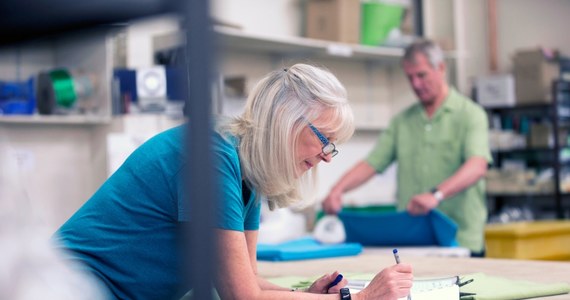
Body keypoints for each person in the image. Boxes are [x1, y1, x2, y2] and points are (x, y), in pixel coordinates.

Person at [53, 63, 413, 299]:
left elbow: (248, 283)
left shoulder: (248, 169)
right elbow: (242, 297)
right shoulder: (211, 156)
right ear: (287, 121)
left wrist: (318, 296)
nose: (326, 155)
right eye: (325, 140)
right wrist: (360, 299)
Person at [322, 39, 492, 257]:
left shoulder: (471, 115)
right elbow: (372, 163)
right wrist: (337, 190)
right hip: (415, 242)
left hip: (461, 240)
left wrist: (436, 195)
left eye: (421, 75)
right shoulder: (402, 122)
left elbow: (477, 166)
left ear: (440, 68)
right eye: (410, 77)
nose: (416, 84)